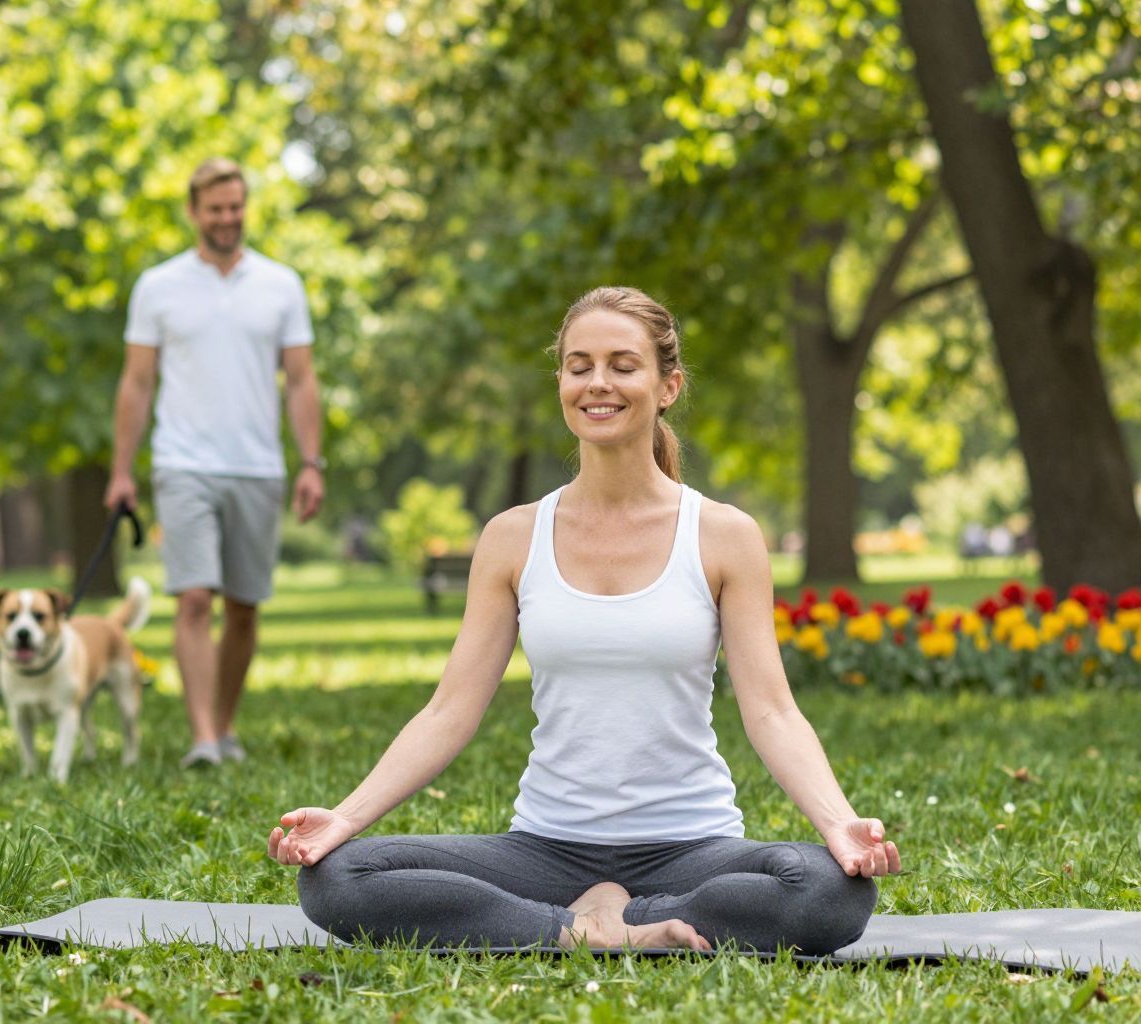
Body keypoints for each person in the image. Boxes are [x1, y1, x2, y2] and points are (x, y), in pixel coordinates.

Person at [267, 286, 899, 953]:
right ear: (562, 382)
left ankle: (625, 912)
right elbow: (448, 711)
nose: (598, 383)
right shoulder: (514, 537)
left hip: (690, 845)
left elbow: (772, 711)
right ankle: (578, 929)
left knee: (833, 892)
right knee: (337, 878)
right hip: (547, 850)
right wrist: (345, 817)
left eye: (623, 365)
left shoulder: (722, 535)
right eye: (579, 365)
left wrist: (838, 822)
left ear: (667, 386)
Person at [106, 157, 325, 769]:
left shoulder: (282, 285)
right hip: (182, 463)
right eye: (215, 209)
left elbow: (302, 380)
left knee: (244, 607)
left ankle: (224, 725)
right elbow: (137, 383)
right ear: (193, 212)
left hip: (258, 466)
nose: (227, 219)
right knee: (195, 599)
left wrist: (313, 462)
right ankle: (203, 739)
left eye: (235, 208)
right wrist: (122, 470)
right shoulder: (158, 286)